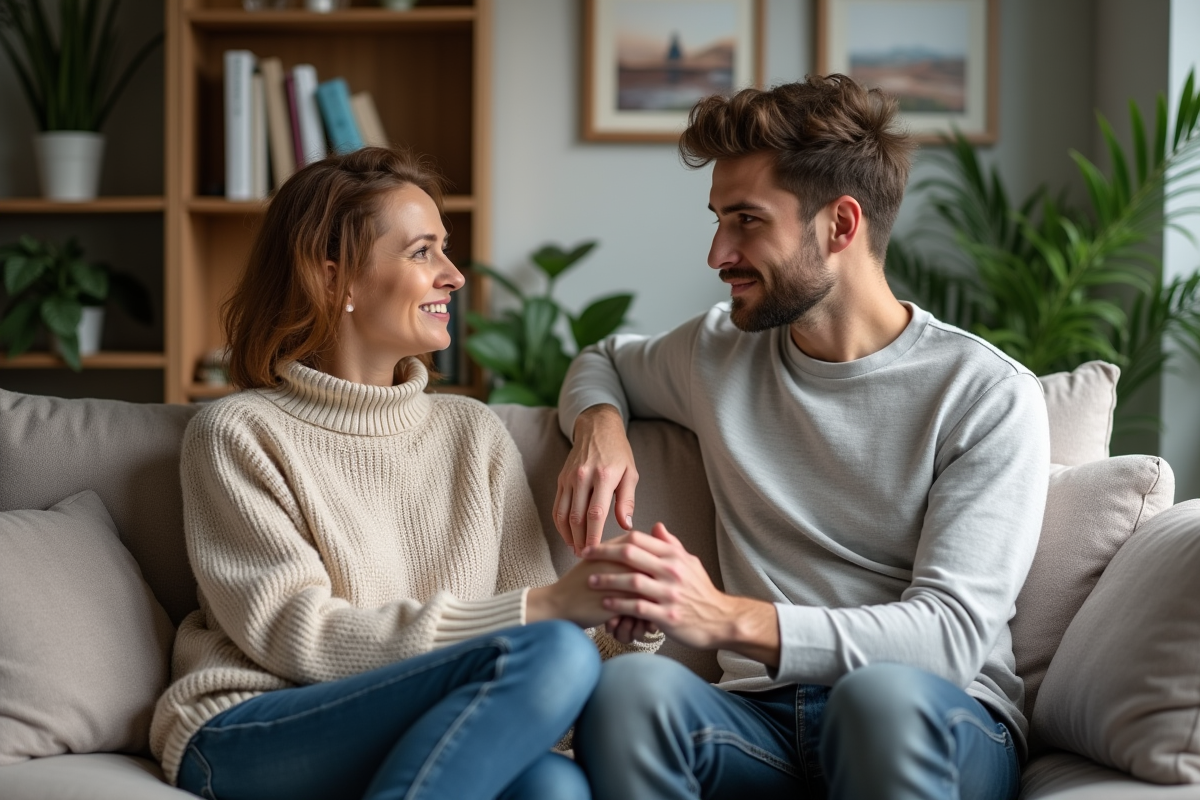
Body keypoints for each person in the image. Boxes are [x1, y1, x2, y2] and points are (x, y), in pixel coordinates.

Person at [555, 75, 1050, 800]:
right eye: (718, 219)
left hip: (935, 716)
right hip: (758, 720)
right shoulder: (715, 352)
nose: (717, 253)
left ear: (840, 226)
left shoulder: (983, 394)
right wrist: (599, 426)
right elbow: (601, 361)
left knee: (877, 700)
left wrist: (725, 616)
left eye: (747, 221)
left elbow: (947, 640)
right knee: (630, 690)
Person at [149, 146, 657, 800]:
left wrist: (627, 612)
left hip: (411, 719)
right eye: (422, 252)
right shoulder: (238, 433)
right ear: (336, 281)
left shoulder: (474, 434)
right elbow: (293, 633)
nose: (455, 276)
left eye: (445, 249)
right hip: (252, 724)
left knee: (552, 786)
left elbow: (534, 621)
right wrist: (550, 612)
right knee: (552, 656)